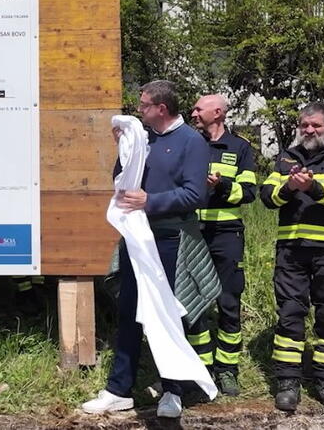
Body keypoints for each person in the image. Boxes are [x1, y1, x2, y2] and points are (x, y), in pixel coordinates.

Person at [82, 80, 210, 418]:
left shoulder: (192, 142)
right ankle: (119, 391)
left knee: (167, 315)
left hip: (170, 241)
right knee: (129, 313)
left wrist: (150, 201)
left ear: (161, 109)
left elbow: (195, 194)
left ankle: (173, 392)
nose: (139, 110)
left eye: (144, 105)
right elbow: (123, 179)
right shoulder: (144, 138)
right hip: (137, 238)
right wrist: (123, 149)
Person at [260, 102, 324, 412]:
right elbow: (267, 197)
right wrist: (290, 187)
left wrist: (314, 188)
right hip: (291, 249)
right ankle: (288, 381)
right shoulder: (286, 158)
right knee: (290, 312)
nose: (309, 130)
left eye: (316, 125)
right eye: (304, 125)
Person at [189, 94, 257, 395]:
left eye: (198, 109)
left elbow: (249, 192)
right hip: (193, 234)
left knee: (229, 302)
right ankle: (200, 369)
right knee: (193, 303)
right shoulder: (190, 143)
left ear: (217, 113)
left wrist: (222, 186)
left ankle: (227, 369)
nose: (193, 113)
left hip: (227, 234)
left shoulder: (240, 147)